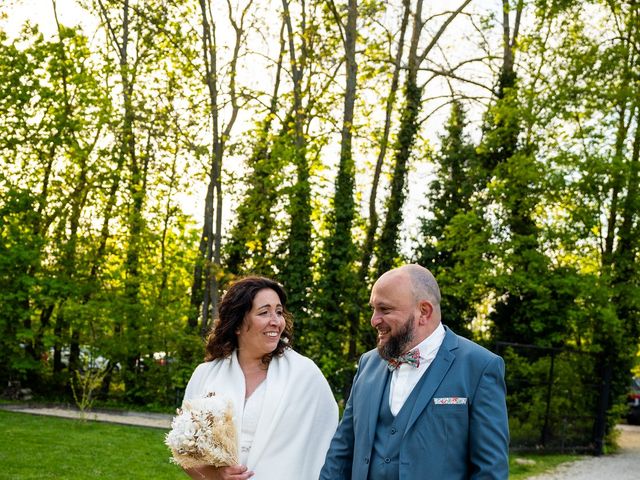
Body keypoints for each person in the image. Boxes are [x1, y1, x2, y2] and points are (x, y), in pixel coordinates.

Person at [320, 264, 509, 480]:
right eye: (373, 308)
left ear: (423, 312)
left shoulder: (480, 367)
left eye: (385, 309)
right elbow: (342, 450)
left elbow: (490, 471)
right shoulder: (368, 363)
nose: (374, 320)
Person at [182, 276, 338, 480]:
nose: (276, 321)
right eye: (264, 312)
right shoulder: (205, 375)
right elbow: (185, 452)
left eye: (279, 312)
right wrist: (216, 475)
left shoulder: (305, 374)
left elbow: (332, 444)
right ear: (237, 324)